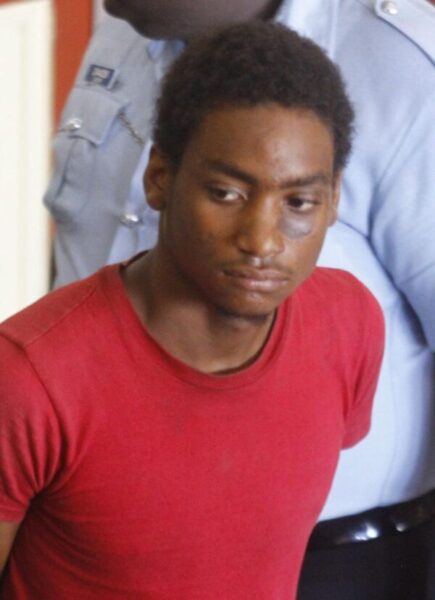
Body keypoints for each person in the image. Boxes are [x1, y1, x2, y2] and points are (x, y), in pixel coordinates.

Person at [43, 1, 435, 597]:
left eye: (297, 203)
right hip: (87, 545)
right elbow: (86, 254)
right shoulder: (129, 28)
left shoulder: (402, 67)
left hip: (330, 564)